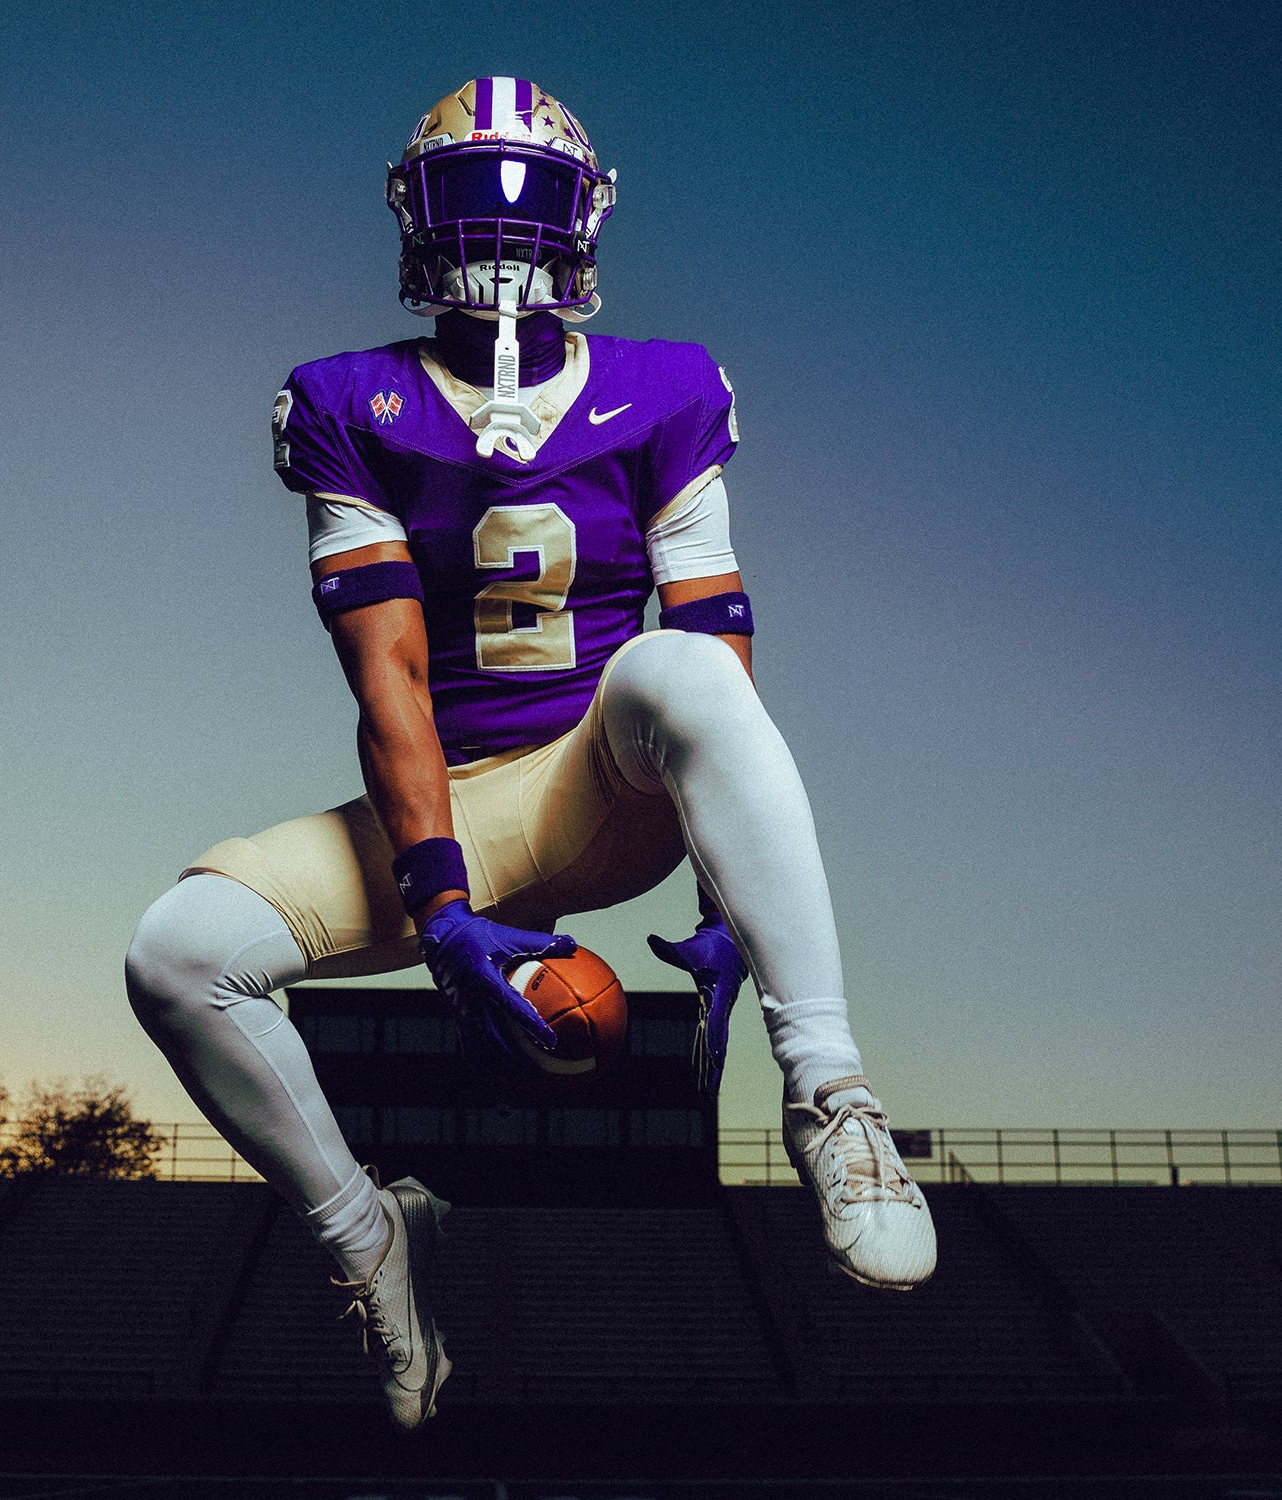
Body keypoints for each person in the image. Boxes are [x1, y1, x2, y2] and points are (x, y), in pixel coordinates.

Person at [125, 76, 936, 1432]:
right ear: (415, 223)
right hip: (449, 800)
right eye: (470, 207)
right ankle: (371, 1241)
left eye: (531, 208)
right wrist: (441, 904)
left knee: (681, 664)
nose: (500, 244)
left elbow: (715, 645)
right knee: (177, 952)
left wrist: (726, 899)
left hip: (605, 775)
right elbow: (387, 675)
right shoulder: (346, 402)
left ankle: (832, 1095)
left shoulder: (667, 390)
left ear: (586, 223)